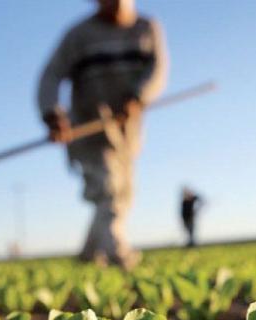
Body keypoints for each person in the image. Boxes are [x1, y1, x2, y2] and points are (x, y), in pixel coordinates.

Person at [37, 0, 168, 269]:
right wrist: (52, 114)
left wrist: (138, 97)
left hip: (126, 132)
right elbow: (51, 76)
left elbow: (157, 70)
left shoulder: (147, 28)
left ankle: (88, 255)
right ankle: (118, 255)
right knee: (108, 189)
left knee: (123, 194)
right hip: (89, 128)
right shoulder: (79, 35)